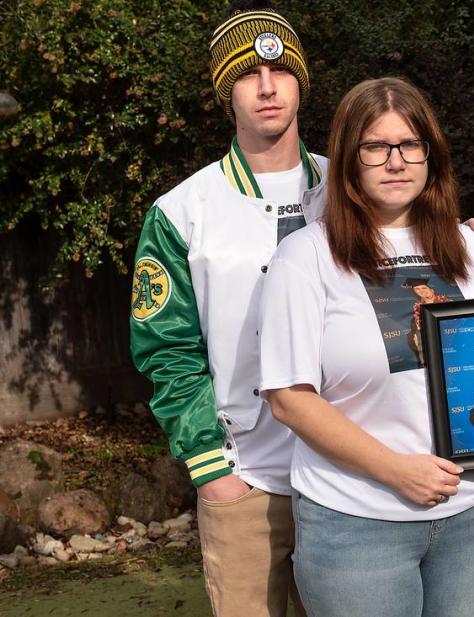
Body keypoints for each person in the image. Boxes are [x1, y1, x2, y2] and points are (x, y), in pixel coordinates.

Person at [257, 77, 474, 617]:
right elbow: (289, 398)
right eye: (375, 146)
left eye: (410, 144)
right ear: (349, 158)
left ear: (430, 156)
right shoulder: (304, 258)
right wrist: (397, 470)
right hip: (356, 522)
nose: (395, 161)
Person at [129, 3, 323, 616]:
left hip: (352, 480)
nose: (267, 88)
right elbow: (167, 350)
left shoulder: (352, 188)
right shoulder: (182, 210)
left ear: (300, 82)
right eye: (247, 75)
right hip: (248, 482)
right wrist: (212, 470)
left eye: (281, 71)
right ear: (226, 92)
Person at [403, 276, 450, 366]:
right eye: (417, 289)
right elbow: (419, 323)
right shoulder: (417, 306)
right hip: (428, 334)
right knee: (415, 336)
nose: (421, 291)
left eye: (424, 288)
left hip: (446, 332)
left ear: (431, 289)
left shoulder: (445, 301)